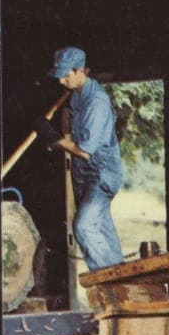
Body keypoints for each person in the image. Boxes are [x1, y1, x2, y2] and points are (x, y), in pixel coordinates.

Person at [46, 46, 125, 271]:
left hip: (101, 174)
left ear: (80, 71)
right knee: (99, 227)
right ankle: (122, 274)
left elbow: (84, 151)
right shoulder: (76, 95)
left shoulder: (96, 102)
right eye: (59, 75)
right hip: (84, 174)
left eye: (66, 75)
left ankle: (107, 278)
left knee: (83, 227)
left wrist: (53, 138)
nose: (61, 81)